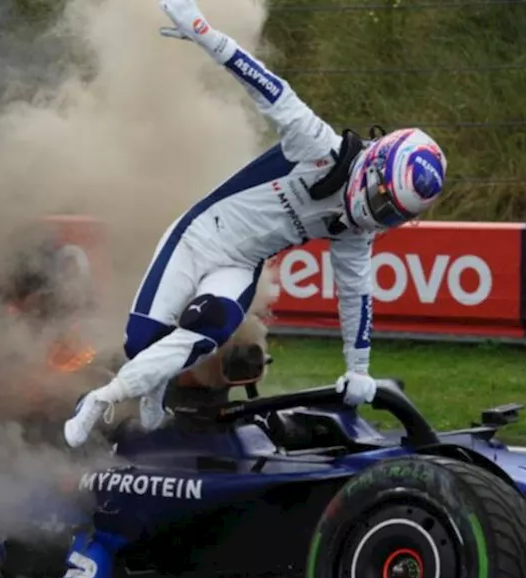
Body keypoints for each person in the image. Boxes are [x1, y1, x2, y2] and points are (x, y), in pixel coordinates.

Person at [62, 0, 448, 448]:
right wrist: (201, 29)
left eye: (395, 215)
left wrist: (358, 370)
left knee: (206, 334)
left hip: (241, 265)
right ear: (376, 165)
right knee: (141, 341)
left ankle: (125, 394)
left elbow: (357, 297)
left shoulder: (354, 230)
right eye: (385, 202)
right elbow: (260, 80)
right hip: (199, 236)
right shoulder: (316, 144)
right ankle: (130, 392)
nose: (379, 215)